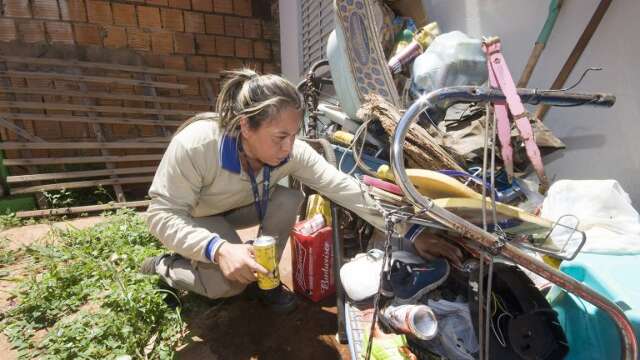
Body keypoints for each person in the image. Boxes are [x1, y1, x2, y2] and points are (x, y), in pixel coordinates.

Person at [141, 69, 462, 313]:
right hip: (200, 213)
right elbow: (160, 215)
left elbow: (346, 189)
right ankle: (165, 265)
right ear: (245, 127)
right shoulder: (197, 145)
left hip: (239, 206)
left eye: (294, 135)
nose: (289, 147)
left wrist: (412, 231)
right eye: (280, 137)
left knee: (289, 197)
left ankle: (266, 281)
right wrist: (217, 249)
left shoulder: (290, 152)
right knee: (223, 286)